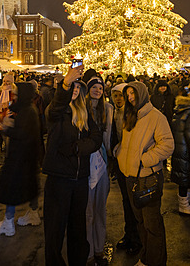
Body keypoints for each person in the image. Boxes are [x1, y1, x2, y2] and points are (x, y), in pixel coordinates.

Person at [43, 65, 102, 266]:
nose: (75, 90)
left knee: (78, 226)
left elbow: (96, 139)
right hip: (59, 178)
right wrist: (66, 84)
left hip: (80, 179)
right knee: (55, 228)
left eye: (78, 88)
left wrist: (77, 148)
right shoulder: (56, 111)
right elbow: (56, 106)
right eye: (72, 87)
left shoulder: (84, 113)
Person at [115, 81, 174, 266]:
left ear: (142, 94)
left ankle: (156, 261)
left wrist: (145, 160)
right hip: (130, 176)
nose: (130, 98)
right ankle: (146, 257)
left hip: (148, 177)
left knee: (152, 225)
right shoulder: (130, 115)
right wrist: (120, 153)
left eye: (133, 93)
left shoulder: (156, 116)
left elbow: (168, 145)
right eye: (128, 94)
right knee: (140, 222)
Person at [0, 82, 41, 236]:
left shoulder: (27, 112)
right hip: (29, 158)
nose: (15, 97)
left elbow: (21, 134)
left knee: (11, 189)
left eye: (17, 94)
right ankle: (33, 214)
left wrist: (6, 127)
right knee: (30, 186)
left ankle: (8, 223)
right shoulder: (28, 109)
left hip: (19, 158)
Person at [109, 83, 141, 255]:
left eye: (121, 95)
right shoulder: (112, 113)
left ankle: (137, 238)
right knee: (125, 201)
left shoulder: (134, 113)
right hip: (120, 163)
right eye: (115, 96)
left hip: (133, 163)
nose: (119, 99)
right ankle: (129, 234)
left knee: (134, 201)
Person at [85, 77, 113, 265]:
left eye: (100, 88)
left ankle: (99, 249)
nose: (97, 90)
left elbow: (111, 135)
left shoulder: (108, 109)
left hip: (102, 160)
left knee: (100, 208)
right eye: (93, 87)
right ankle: (87, 251)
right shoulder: (81, 108)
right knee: (87, 210)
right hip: (86, 161)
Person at [171, 89, 190, 216]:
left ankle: (189, 198)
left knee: (186, 175)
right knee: (184, 177)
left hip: (178, 148)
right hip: (186, 149)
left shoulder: (178, 110)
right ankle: (183, 205)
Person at [0, 72, 16, 152]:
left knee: (8, 132)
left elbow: (13, 102)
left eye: (8, 81)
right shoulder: (0, 91)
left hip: (8, 114)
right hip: (1, 113)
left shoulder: (13, 92)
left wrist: (8, 104)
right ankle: (0, 145)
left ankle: (7, 146)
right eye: (4, 81)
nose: (5, 83)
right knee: (0, 131)